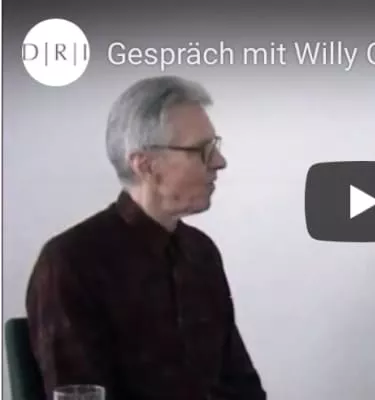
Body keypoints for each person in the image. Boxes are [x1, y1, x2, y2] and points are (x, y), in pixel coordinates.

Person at [25, 76, 266, 399]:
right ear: (146, 166)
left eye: (215, 147)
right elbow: (79, 393)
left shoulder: (201, 253)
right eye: (202, 150)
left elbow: (242, 387)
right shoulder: (71, 263)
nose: (219, 162)